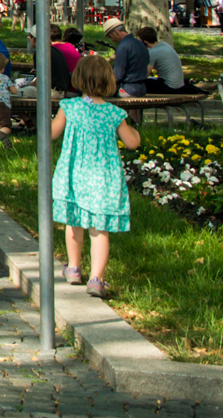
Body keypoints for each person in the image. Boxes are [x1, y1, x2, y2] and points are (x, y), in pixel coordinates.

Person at [52, 54, 139, 298]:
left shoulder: (69, 107)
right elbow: (132, 143)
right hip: (103, 177)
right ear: (108, 81)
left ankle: (73, 268)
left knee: (73, 221)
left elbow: (51, 134)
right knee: (100, 229)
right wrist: (135, 132)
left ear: (78, 79)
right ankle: (96, 279)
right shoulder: (114, 113)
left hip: (74, 174)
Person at [138, 26, 193, 94]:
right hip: (179, 85)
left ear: (145, 42)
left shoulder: (152, 52)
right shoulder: (165, 45)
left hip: (170, 87)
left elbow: (145, 75)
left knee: (138, 85)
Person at [101, 18, 149, 97]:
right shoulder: (140, 44)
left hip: (127, 89)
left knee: (99, 98)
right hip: (142, 88)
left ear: (116, 32)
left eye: (110, 36)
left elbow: (118, 74)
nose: (111, 40)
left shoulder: (123, 46)